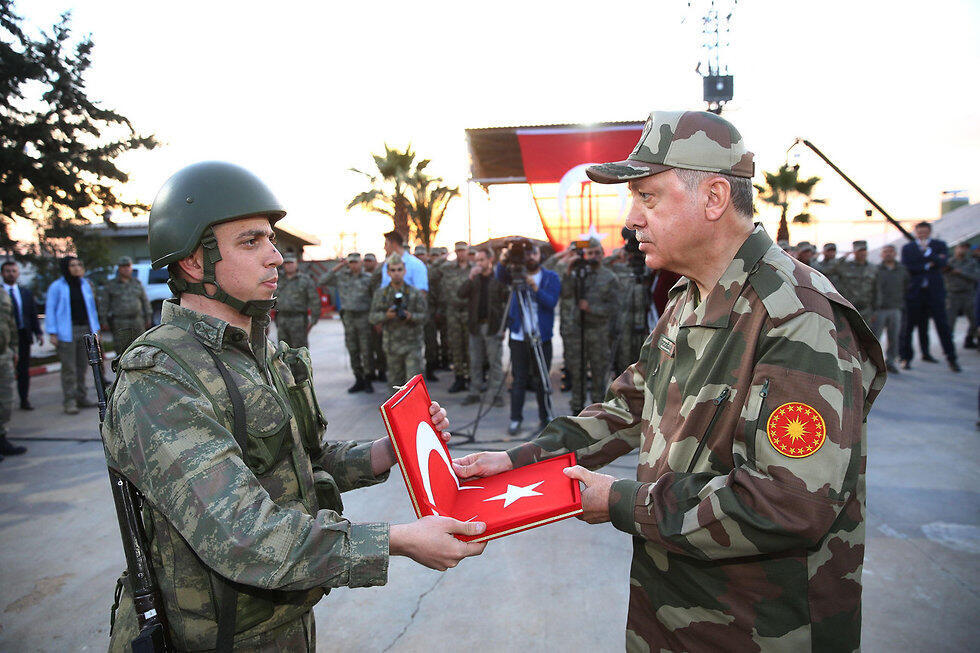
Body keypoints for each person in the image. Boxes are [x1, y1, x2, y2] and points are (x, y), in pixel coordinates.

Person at [454, 110, 885, 652]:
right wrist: (523, 459)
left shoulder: (798, 318)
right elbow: (630, 404)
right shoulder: (690, 297)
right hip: (676, 609)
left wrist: (620, 502)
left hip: (760, 628)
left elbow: (788, 503)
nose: (631, 219)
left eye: (648, 198)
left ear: (713, 198)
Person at [102, 161, 486, 651]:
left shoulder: (261, 353)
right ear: (195, 263)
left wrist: (384, 451)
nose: (276, 257)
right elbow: (243, 536)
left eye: (271, 240)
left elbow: (300, 459)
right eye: (251, 242)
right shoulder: (161, 377)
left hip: (278, 620)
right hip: (214, 640)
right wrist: (398, 540)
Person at [494, 240, 560, 436]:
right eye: (526, 254)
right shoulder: (514, 274)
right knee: (519, 379)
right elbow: (500, 275)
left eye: (533, 253)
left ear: (540, 256)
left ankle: (546, 416)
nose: (530, 257)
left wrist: (536, 289)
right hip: (518, 337)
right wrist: (505, 258)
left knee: (542, 378)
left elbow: (551, 302)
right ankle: (515, 419)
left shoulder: (550, 277)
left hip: (542, 337)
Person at [559, 238, 622, 415]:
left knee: (598, 375)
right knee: (577, 374)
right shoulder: (578, 274)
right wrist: (569, 270)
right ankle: (576, 412)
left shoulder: (609, 278)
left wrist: (592, 309)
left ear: (602, 254)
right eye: (590, 253)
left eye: (596, 253)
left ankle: (597, 415)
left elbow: (615, 307)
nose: (593, 257)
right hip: (577, 332)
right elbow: (564, 294)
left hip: (598, 333)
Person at [900, 221, 960, 372]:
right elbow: (907, 266)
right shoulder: (908, 248)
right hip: (915, 293)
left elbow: (943, 262)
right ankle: (906, 357)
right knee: (909, 327)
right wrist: (928, 264)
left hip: (934, 293)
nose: (922, 235)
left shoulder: (939, 245)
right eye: (920, 232)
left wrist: (928, 253)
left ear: (929, 232)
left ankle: (951, 358)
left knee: (942, 325)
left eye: (925, 232)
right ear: (916, 233)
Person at [45, 256, 100, 414]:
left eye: (78, 264)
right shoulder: (57, 287)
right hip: (66, 332)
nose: (76, 268)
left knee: (82, 366)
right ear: (65, 268)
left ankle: (81, 397)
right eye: (72, 265)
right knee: (69, 368)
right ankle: (69, 400)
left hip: (85, 330)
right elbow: (50, 309)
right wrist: (53, 333)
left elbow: (92, 309)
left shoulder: (85, 285)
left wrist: (95, 330)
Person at [458, 247, 509, 407]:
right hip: (475, 326)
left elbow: (507, 303)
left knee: (495, 362)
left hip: (492, 326)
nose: (478, 263)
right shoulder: (475, 279)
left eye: (481, 260)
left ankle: (497, 395)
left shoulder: (498, 279)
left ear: (490, 260)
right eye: (477, 261)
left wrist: (504, 327)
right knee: (475, 361)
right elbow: (461, 293)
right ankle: (475, 392)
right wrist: (470, 278)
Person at [370, 254, 427, 386]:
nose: (396, 273)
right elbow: (372, 317)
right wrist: (386, 316)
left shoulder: (415, 293)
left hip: (412, 345)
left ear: (405, 271)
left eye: (399, 269)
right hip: (392, 347)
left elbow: (424, 317)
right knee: (395, 386)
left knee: (413, 386)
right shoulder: (381, 294)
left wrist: (410, 316)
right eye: (393, 270)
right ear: (388, 272)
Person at [321, 253, 374, 393]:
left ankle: (368, 379)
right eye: (350, 262)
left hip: (364, 317)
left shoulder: (368, 278)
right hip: (349, 318)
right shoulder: (341, 277)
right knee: (353, 349)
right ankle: (359, 379)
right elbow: (322, 281)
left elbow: (375, 298)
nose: (353, 265)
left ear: (361, 263)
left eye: (356, 262)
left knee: (366, 349)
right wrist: (339, 266)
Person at [1, 260, 42, 410]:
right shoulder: (1, 293)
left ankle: (24, 399)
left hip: (23, 335)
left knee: (23, 370)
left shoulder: (25, 292)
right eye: (7, 271)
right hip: (4, 339)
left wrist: (38, 333)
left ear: (17, 273)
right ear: (2, 273)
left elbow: (32, 314)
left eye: (13, 271)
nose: (10, 274)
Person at [98, 256, 153, 358]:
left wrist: (148, 317)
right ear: (119, 269)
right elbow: (104, 305)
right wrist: (103, 321)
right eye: (123, 266)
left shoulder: (136, 283)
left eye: (128, 266)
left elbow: (145, 301)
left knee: (141, 348)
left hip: (137, 321)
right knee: (122, 351)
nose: (126, 269)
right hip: (120, 322)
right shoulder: (111, 285)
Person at [440, 241, 473, 393]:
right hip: (453, 312)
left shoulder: (474, 269)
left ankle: (470, 377)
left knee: (470, 346)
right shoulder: (448, 268)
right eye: (458, 251)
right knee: (456, 346)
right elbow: (432, 271)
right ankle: (459, 377)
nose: (461, 254)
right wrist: (443, 258)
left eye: (463, 251)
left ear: (467, 252)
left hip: (469, 312)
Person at [874, 244, 909, 374]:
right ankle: (874, 364)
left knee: (894, 338)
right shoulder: (876, 269)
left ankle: (891, 361)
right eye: (885, 252)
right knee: (875, 338)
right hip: (880, 309)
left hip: (895, 308)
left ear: (895, 254)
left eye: (891, 252)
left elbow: (906, 287)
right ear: (881, 254)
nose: (888, 254)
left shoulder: (902, 270)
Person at [274, 253, 320, 349]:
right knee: (283, 350)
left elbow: (314, 300)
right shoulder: (277, 279)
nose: (289, 265)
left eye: (291, 263)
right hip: (282, 319)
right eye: (286, 263)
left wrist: (314, 320)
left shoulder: (305, 280)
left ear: (296, 264)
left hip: (299, 320)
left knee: (299, 352)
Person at [831, 240, 878, 324]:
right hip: (849, 309)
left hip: (866, 310)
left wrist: (875, 311)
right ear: (854, 252)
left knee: (866, 336)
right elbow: (829, 270)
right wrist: (842, 258)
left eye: (864, 250)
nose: (862, 253)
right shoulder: (845, 266)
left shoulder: (872, 268)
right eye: (860, 251)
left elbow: (877, 290)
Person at [0, 284, 21, 461]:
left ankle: (2, 438)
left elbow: (11, 322)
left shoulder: (2, 293)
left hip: (4, 354)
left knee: (6, 401)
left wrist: (14, 348)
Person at [945, 241, 978, 349]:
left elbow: (976, 277)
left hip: (968, 294)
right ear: (956, 249)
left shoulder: (971, 262)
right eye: (961, 247)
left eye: (965, 248)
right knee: (950, 322)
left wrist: (960, 272)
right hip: (952, 295)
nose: (962, 250)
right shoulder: (949, 262)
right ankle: (949, 344)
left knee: (974, 320)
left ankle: (970, 339)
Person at [362, 253, 385, 382]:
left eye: (370, 260)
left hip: (378, 315)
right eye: (366, 260)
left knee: (380, 346)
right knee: (366, 348)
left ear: (375, 262)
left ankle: (382, 370)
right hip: (364, 318)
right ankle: (369, 373)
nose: (368, 263)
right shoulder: (361, 277)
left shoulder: (381, 277)